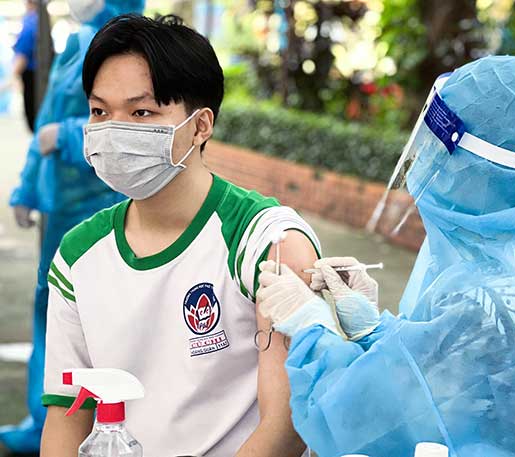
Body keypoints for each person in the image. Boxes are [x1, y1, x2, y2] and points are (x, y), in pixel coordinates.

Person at [257, 56, 515, 457]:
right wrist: (374, 332)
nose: (424, 163)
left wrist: (312, 329)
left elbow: (361, 420)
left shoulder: (485, 303)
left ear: (474, 169)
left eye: (435, 152)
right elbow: (455, 377)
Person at [40, 14, 320, 457]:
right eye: (99, 111)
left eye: (141, 112)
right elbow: (67, 414)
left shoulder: (267, 244)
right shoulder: (78, 256)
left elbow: (286, 425)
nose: (114, 130)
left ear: (200, 125)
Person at [0, 0, 144, 453]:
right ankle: (45, 421)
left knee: (102, 320)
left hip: (102, 199)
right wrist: (27, 188)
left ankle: (106, 421)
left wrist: (64, 137)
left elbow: (132, 126)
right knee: (53, 312)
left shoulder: (132, 48)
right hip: (61, 205)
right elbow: (48, 118)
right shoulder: (77, 44)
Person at [11, 0, 39, 131]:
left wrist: (13, 77)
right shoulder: (39, 22)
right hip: (36, 76)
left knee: (33, 115)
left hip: (31, 77)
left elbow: (22, 56)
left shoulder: (30, 23)